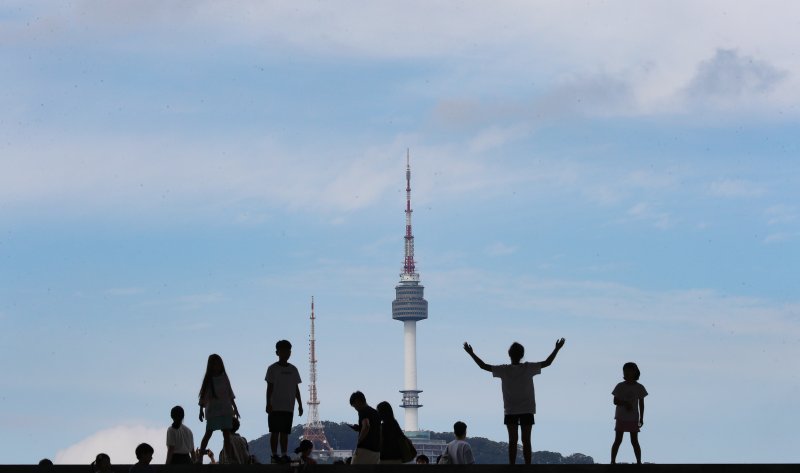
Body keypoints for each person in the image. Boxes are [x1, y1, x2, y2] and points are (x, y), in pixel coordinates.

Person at [464, 338, 566, 465]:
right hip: (527, 409)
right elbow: (547, 362)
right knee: (526, 440)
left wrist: (471, 353)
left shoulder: (504, 369)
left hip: (510, 410)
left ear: (509, 354)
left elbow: (483, 366)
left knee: (512, 440)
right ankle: (527, 466)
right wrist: (557, 348)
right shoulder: (529, 367)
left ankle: (512, 467)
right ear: (522, 355)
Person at [265, 339, 303, 464]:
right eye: (284, 351)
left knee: (285, 432)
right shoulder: (272, 369)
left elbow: (296, 388)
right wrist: (268, 403)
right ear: (277, 352)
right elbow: (269, 387)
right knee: (275, 431)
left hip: (288, 406)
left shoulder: (293, 369)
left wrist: (300, 404)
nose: (287, 353)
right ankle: (274, 455)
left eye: (288, 351)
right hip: (275, 405)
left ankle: (284, 454)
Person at [197, 353, 240, 464]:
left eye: (218, 364)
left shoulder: (224, 377)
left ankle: (229, 458)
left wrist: (235, 408)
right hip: (213, 411)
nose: (217, 366)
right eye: (214, 364)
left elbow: (229, 393)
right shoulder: (208, 380)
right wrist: (201, 410)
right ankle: (200, 457)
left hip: (225, 409)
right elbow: (203, 395)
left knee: (226, 434)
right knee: (208, 433)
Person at [611, 362, 648, 465]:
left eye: (629, 371)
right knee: (618, 440)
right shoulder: (620, 386)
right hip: (621, 417)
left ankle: (638, 462)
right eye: (625, 371)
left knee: (634, 441)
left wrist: (641, 418)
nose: (626, 373)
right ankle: (613, 461)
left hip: (633, 418)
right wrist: (625, 403)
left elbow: (641, 404)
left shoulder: (639, 387)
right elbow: (615, 401)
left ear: (635, 372)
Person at [348, 391, 381, 464]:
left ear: (358, 401)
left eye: (355, 406)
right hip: (377, 450)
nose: (356, 409)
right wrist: (360, 428)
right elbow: (374, 428)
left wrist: (359, 441)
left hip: (365, 449)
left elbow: (366, 426)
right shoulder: (375, 413)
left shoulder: (363, 411)